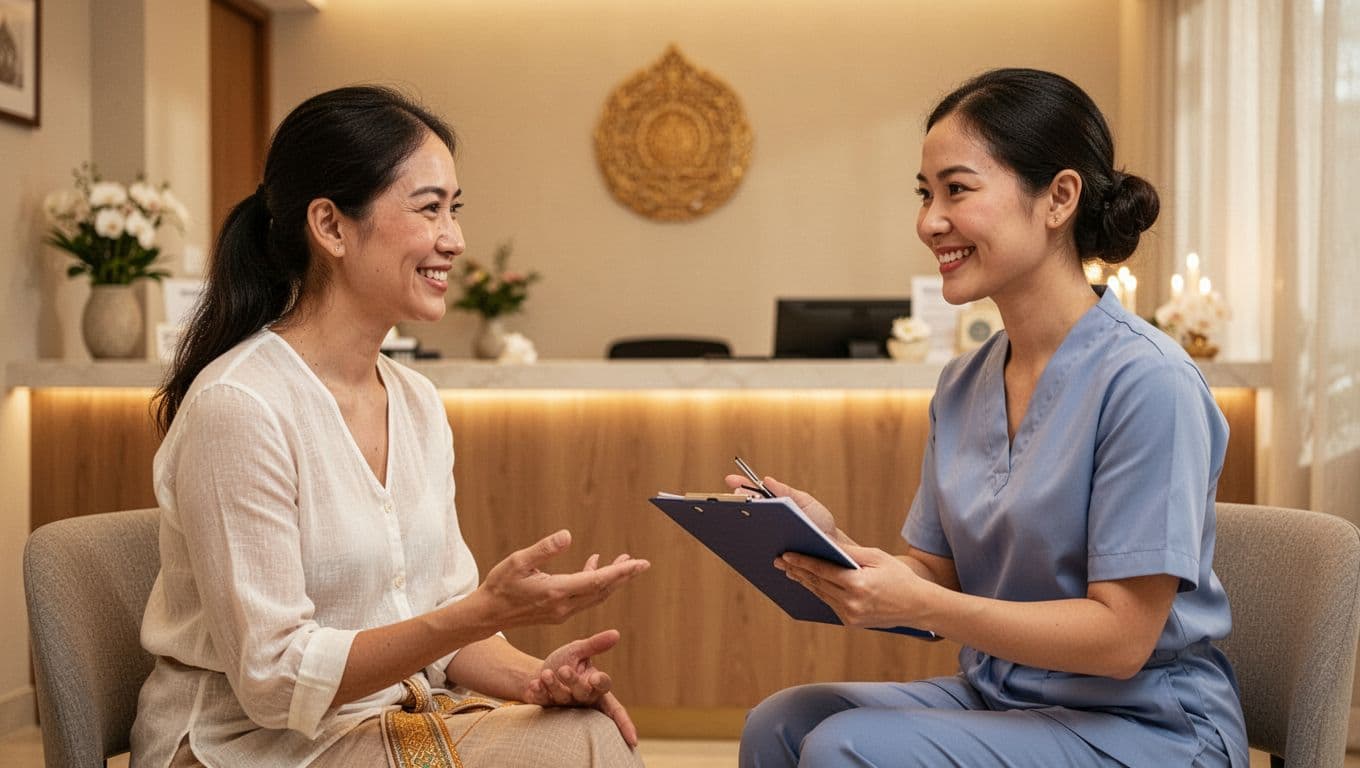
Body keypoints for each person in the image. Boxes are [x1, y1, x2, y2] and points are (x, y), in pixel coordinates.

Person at [730, 68, 1249, 767]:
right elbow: (933, 574)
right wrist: (835, 548)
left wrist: (921, 607)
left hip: (1149, 724)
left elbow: (1123, 640)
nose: (929, 221)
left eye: (957, 189)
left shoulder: (1148, 382)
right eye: (925, 194)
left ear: (1059, 198)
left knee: (843, 748)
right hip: (1006, 698)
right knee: (780, 724)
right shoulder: (963, 383)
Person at [131, 85, 650, 768]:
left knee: (586, 729)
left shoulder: (416, 402)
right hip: (248, 748)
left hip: (381, 719)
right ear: (331, 226)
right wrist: (483, 611)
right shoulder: (240, 406)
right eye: (429, 208)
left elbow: (445, 622)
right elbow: (275, 681)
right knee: (579, 750)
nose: (454, 240)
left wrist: (539, 678)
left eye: (454, 209)